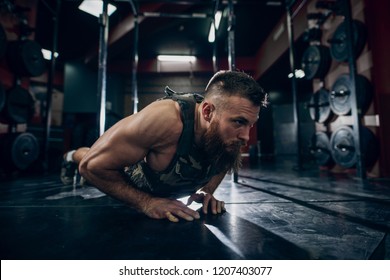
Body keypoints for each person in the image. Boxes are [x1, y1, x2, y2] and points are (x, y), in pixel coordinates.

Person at [61, 70, 267, 222]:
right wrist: (146, 202)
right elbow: (91, 167)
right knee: (88, 156)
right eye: (239, 122)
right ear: (207, 112)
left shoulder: (228, 135)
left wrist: (206, 191)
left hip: (168, 181)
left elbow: (223, 157)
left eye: (250, 124)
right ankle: (70, 155)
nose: (246, 136)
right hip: (131, 176)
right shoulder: (165, 120)